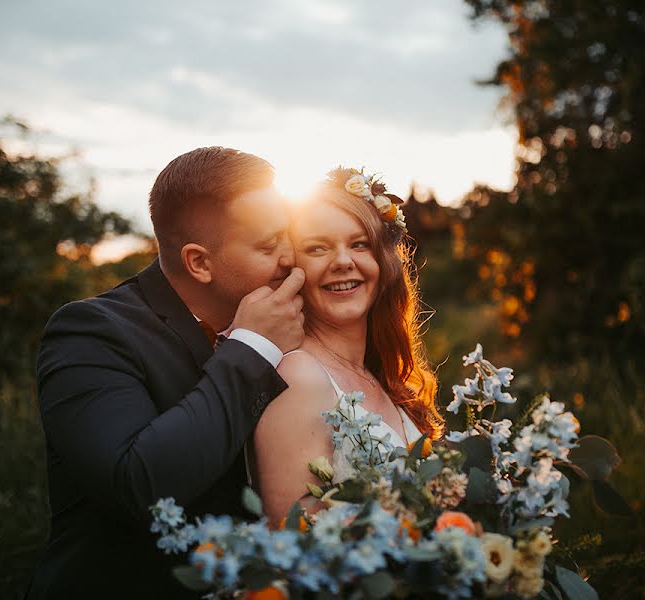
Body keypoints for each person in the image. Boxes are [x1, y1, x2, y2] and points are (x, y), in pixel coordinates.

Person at [27, 147, 305, 599]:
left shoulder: (289, 322)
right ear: (199, 262)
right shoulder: (92, 333)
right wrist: (253, 347)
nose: (291, 257)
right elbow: (138, 485)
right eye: (268, 245)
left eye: (288, 236)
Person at [250, 167, 444, 523]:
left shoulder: (380, 375)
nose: (343, 261)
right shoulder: (299, 376)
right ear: (294, 268)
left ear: (383, 262)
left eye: (359, 244)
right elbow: (297, 541)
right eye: (318, 248)